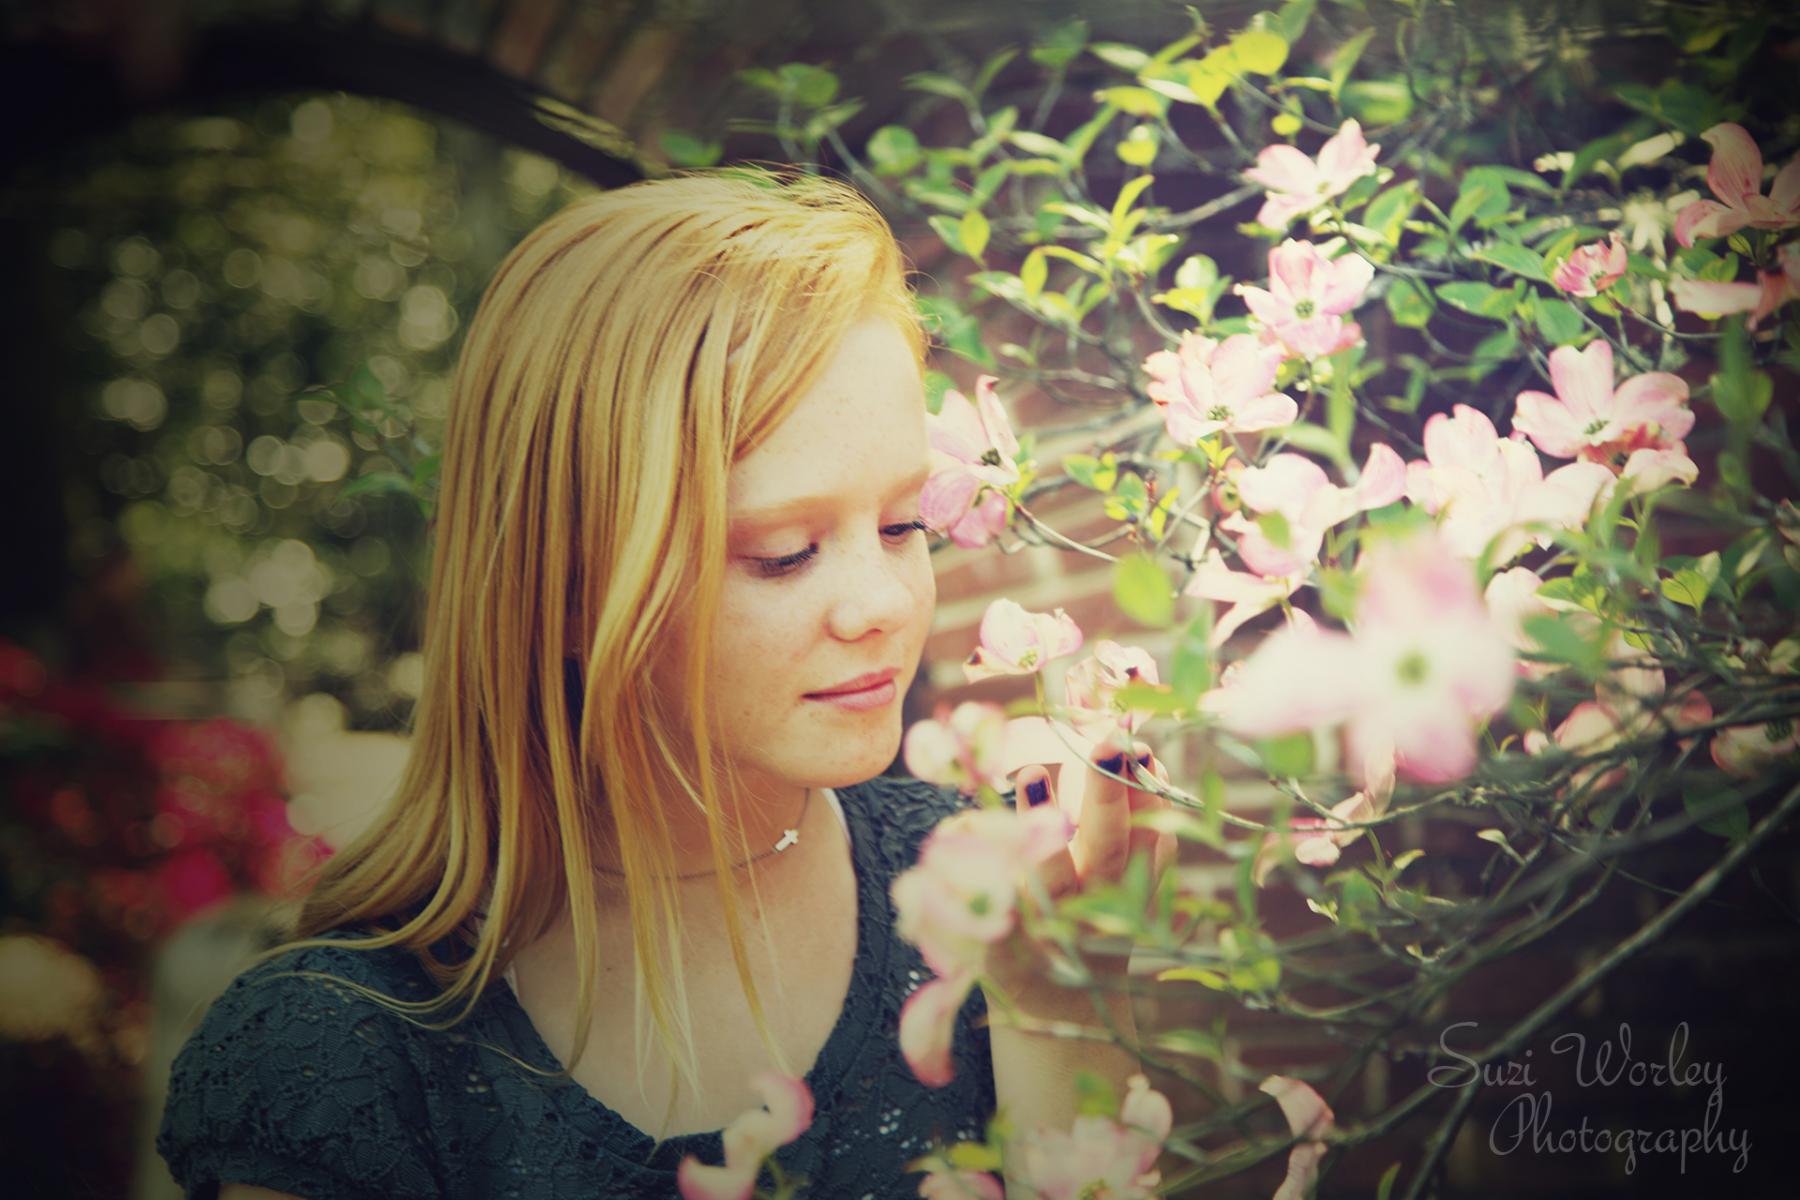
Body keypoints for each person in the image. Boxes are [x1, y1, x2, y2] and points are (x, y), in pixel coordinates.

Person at [157, 170, 1171, 1199]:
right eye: (783, 550)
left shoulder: (979, 891)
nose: (884, 603)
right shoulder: (337, 1061)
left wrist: (1059, 1006)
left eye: (905, 524)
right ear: (560, 587)